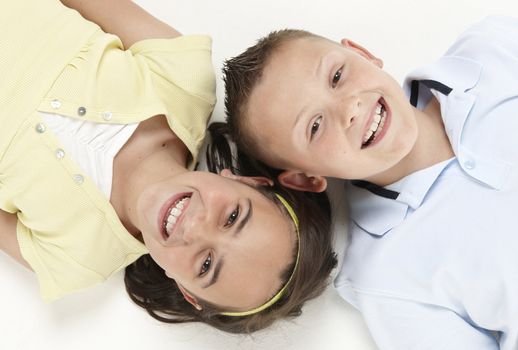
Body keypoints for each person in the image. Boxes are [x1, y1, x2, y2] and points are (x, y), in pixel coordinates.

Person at [0, 0, 337, 334]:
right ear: (248, 182)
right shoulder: (184, 82)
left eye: (206, 266)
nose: (194, 229)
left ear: (187, 292)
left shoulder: (75, 262)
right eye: (232, 217)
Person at [221, 15, 518, 348]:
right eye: (315, 127)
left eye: (337, 76)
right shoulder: (385, 277)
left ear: (363, 54)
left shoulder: (493, 47)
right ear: (307, 178)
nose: (348, 108)